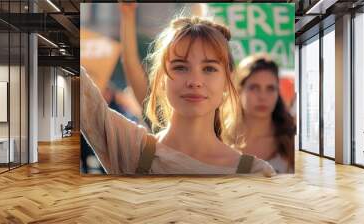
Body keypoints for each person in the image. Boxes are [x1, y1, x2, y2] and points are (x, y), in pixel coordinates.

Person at [81, 13, 275, 176]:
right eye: (181, 67)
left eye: (209, 69)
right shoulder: (131, 150)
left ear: (228, 80)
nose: (195, 81)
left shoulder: (257, 173)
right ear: (161, 78)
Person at [226, 55, 296, 173]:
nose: (263, 96)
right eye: (254, 87)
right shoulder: (220, 137)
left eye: (270, 88)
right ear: (239, 90)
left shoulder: (292, 140)